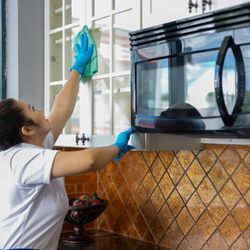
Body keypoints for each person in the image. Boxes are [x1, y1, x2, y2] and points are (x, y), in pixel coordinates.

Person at [0, 32, 134, 249]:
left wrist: (77, 69)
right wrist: (115, 147)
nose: (41, 110)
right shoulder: (21, 158)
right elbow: (89, 160)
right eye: (32, 109)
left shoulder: (31, 148)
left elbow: (61, 108)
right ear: (26, 129)